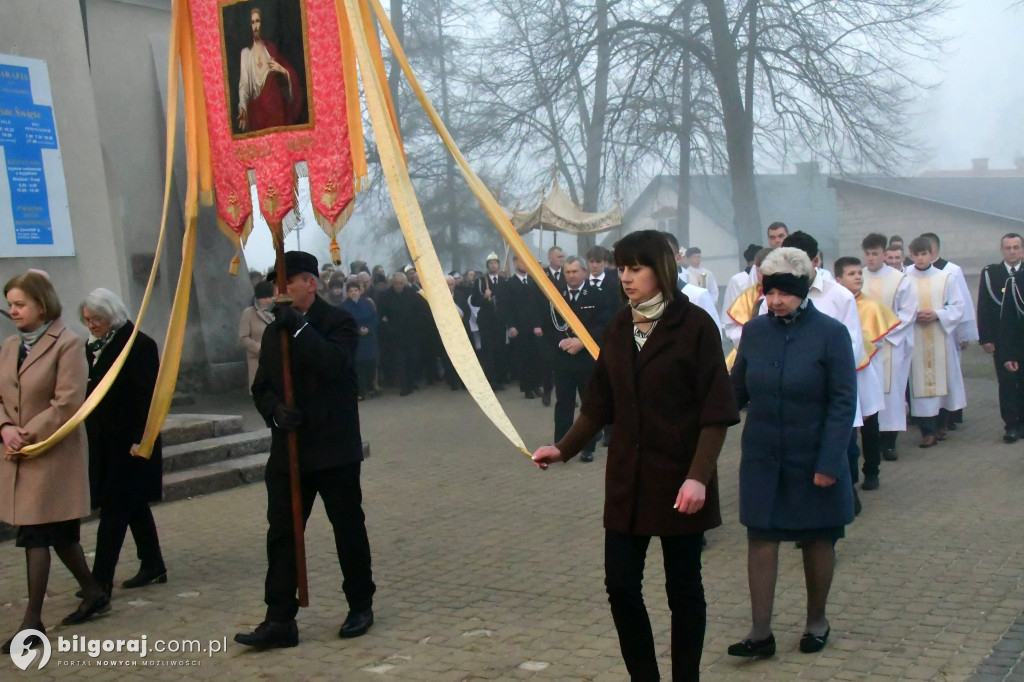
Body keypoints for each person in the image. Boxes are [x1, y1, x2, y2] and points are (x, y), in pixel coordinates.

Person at [533, 230, 739, 681]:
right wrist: (564, 447)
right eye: (621, 268)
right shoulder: (619, 326)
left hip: (680, 479)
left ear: (660, 269)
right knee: (621, 586)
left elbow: (716, 414)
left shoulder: (695, 326)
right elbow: (599, 403)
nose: (625, 278)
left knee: (683, 589)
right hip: (628, 479)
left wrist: (698, 477)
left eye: (635, 268)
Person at [236, 251, 374, 649]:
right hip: (289, 450)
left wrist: (298, 328)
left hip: (334, 450)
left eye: (285, 285)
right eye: (274, 287)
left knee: (347, 527)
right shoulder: (273, 330)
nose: (276, 294)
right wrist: (275, 412)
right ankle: (279, 617)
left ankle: (360, 603)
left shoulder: (339, 321)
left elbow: (333, 364)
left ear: (309, 284)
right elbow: (261, 386)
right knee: (282, 532)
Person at [727, 247, 857, 660]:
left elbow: (842, 402)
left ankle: (816, 620)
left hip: (814, 454)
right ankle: (760, 632)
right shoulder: (755, 331)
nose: (776, 300)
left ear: (803, 290)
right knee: (761, 537)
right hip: (763, 454)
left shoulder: (831, 334)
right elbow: (736, 389)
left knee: (818, 537)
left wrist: (829, 462)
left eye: (785, 292)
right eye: (770, 292)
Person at [0, 273, 110, 651]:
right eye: (10, 304)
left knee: (36, 535)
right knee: (59, 534)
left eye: (20, 304)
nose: (12, 311)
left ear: (42, 306)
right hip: (17, 453)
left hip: (52, 453)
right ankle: (93, 590)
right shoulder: (10, 345)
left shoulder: (68, 344)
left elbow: (67, 402)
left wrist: (24, 434)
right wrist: (4, 428)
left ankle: (32, 624)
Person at [80, 289, 166, 597]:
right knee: (133, 504)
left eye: (97, 319)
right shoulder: (91, 347)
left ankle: (99, 579)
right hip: (104, 440)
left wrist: (140, 440)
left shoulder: (138, 345)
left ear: (113, 315)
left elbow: (147, 398)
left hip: (130, 441)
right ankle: (153, 562)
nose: (91, 325)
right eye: (87, 319)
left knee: (114, 507)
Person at [834, 258, 898, 494]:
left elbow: (877, 339)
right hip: (840, 372)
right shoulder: (834, 302)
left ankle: (872, 470)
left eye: (859, 273)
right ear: (838, 279)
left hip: (864, 370)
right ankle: (848, 477)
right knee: (846, 425)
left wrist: (859, 350)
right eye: (851, 273)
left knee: (870, 423)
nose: (858, 277)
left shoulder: (872, 305)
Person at [548, 256, 614, 463]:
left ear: (585, 272)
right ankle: (561, 445)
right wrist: (561, 343)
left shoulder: (597, 295)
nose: (571, 276)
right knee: (563, 403)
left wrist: (583, 342)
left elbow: (605, 325)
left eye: (575, 271)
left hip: (587, 359)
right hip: (564, 359)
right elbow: (548, 324)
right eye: (567, 272)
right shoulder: (556, 297)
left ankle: (588, 447)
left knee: (589, 404)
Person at [905, 237, 967, 447]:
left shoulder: (945, 278)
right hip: (916, 337)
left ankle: (941, 425)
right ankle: (927, 431)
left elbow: (958, 306)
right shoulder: (904, 278)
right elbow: (898, 307)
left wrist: (938, 314)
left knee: (942, 383)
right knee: (920, 386)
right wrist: (913, 316)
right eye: (917, 254)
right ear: (911, 255)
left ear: (931, 254)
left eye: (925, 254)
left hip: (940, 336)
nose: (921, 258)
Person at [861, 234, 918, 461]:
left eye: (875, 253)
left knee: (891, 393)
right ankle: (870, 440)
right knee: (867, 391)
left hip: (889, 345)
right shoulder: (858, 277)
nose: (871, 258)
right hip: (864, 346)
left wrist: (885, 333)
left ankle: (890, 442)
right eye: (867, 253)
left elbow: (908, 311)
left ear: (885, 254)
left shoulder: (899, 279)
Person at [978, 234, 1024, 442]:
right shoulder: (991, 273)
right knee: (1006, 382)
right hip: (1001, 338)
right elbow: (985, 306)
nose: (1012, 251)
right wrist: (986, 337)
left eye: (1016, 247)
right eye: (1008, 248)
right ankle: (1011, 425)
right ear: (1002, 250)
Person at [236, 6, 304, 133]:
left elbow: (289, 78)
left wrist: (283, 71)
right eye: (252, 22)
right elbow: (244, 86)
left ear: (262, 23)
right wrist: (243, 109)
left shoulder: (270, 49)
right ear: (250, 26)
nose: (255, 25)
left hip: (276, 113)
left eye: (257, 21)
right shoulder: (246, 54)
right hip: (258, 114)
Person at [503, 255, 546, 399]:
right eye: (522, 261)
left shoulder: (533, 281)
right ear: (515, 263)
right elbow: (507, 307)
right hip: (520, 328)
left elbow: (539, 305)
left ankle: (536, 385)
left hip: (535, 328)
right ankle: (527, 388)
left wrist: (538, 324)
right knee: (524, 359)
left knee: (536, 358)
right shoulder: (510, 284)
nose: (525, 264)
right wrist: (511, 326)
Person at [378, 272, 420, 396]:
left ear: (405, 283)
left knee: (413, 358)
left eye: (401, 283)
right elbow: (382, 314)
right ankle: (404, 386)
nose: (398, 286)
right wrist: (387, 325)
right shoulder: (385, 296)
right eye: (396, 283)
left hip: (411, 333)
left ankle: (411, 382)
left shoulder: (412, 294)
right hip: (395, 334)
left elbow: (418, 312)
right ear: (392, 283)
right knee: (400, 360)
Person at [470, 253, 508, 388]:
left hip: (500, 322)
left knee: (500, 350)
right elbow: (474, 301)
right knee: (488, 352)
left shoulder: (504, 282)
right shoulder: (480, 281)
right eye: (491, 263)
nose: (493, 265)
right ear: (487, 266)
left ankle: (500, 379)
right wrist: (484, 297)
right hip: (486, 322)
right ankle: (490, 381)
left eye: (495, 263)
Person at [340, 281, 379, 400]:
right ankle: (360, 391)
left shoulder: (367, 303)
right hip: (355, 340)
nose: (353, 293)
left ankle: (371, 387)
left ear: (359, 291)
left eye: (355, 290)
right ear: (347, 293)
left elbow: (375, 318)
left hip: (369, 338)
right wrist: (357, 330)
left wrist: (369, 329)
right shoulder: (343, 307)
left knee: (370, 364)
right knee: (358, 367)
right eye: (351, 291)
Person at [239, 280, 276, 390]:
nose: (268, 300)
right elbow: (243, 337)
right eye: (264, 297)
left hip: (277, 358)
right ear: (258, 297)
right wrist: (259, 348)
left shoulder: (279, 311)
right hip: (258, 360)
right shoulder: (248, 313)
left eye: (270, 296)